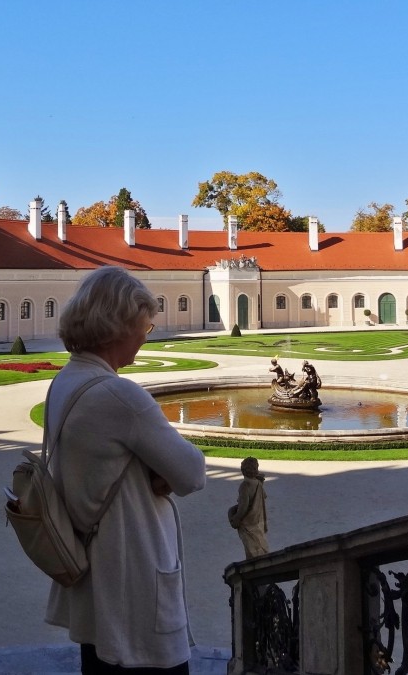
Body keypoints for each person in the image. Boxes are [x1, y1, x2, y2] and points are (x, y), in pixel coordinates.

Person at [45, 266, 206, 674]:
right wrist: (162, 473)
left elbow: (101, 462)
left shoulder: (65, 382)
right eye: (144, 328)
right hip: (132, 572)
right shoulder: (121, 396)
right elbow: (192, 473)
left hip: (94, 577)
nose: (144, 337)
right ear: (117, 326)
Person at [227, 457, 269, 559]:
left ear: (243, 470)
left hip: (248, 522)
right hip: (257, 520)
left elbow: (243, 506)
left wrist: (236, 518)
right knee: (259, 544)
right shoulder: (257, 483)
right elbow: (263, 496)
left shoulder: (245, 486)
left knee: (251, 549)